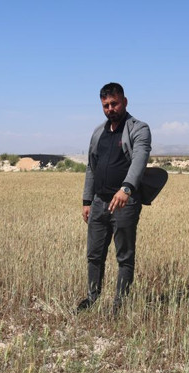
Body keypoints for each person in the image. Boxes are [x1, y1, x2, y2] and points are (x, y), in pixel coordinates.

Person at [77, 83, 151, 313]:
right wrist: (87, 201)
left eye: (114, 103)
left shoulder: (139, 128)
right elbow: (91, 167)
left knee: (124, 256)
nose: (110, 109)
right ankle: (92, 297)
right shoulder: (98, 132)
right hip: (99, 202)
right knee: (94, 254)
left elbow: (140, 159)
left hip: (124, 203)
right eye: (106, 105)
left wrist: (126, 189)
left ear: (125, 102)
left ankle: (119, 304)